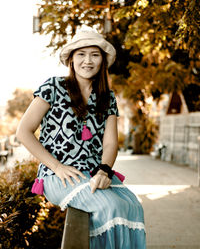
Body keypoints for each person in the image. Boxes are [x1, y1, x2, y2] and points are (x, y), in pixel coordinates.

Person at [16, 28, 146, 249]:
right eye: (81, 54)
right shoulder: (53, 88)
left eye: (94, 55)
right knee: (110, 207)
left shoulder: (108, 97)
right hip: (59, 175)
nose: (88, 61)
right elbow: (23, 132)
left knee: (133, 206)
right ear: (71, 59)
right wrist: (56, 166)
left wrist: (105, 170)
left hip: (96, 172)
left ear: (102, 61)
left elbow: (110, 143)